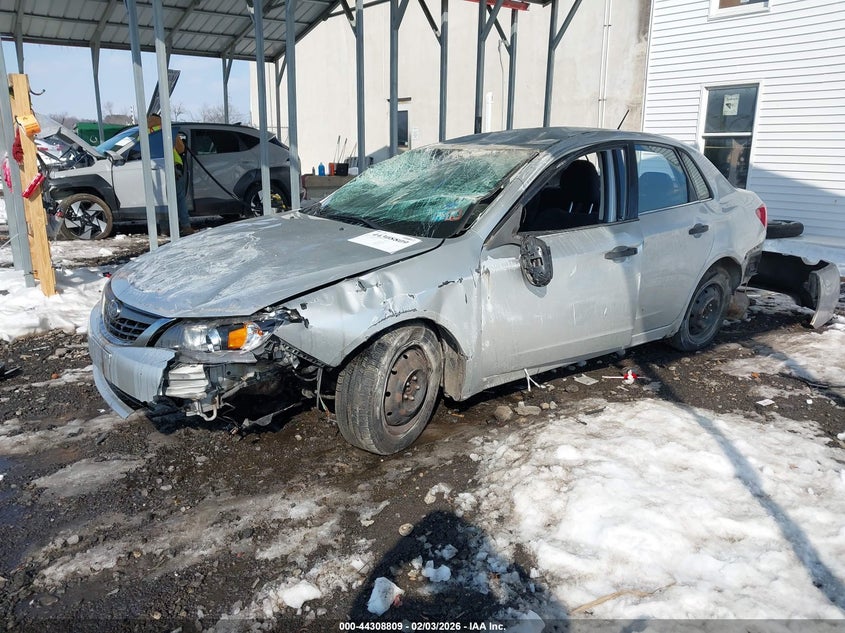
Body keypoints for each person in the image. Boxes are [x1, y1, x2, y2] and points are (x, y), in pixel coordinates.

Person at [146, 114, 194, 236]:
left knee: (162, 199)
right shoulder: (168, 131)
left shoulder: (144, 133)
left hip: (154, 169)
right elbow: (181, 149)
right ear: (160, 120)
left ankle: (165, 228)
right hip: (174, 167)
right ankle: (186, 226)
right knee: (179, 198)